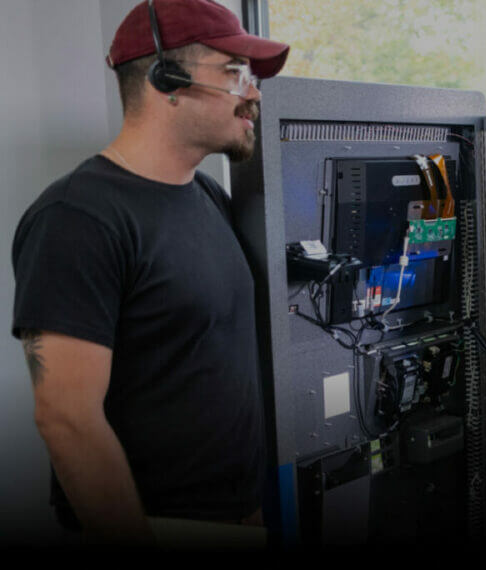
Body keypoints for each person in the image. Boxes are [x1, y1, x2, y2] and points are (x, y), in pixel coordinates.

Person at [11, 0, 289, 545]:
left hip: (239, 514)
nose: (253, 93)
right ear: (169, 80)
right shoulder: (77, 217)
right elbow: (66, 418)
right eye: (235, 73)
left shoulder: (205, 194)